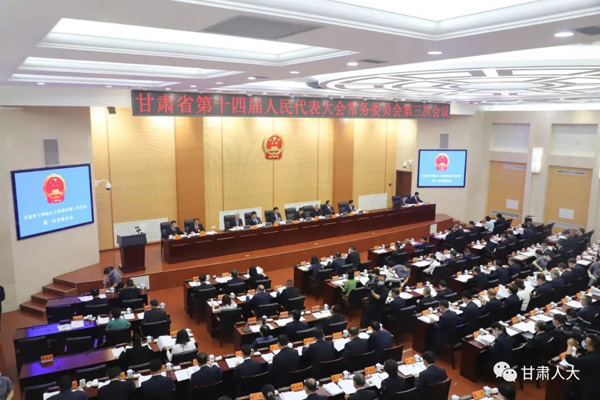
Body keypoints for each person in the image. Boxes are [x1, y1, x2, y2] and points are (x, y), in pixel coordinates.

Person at [565, 335, 600, 400]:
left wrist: (569, 345)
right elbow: (586, 352)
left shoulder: (588, 359)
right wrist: (577, 347)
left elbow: (569, 359)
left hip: (591, 388)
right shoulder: (596, 352)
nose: (583, 342)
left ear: (590, 346)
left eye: (585, 342)